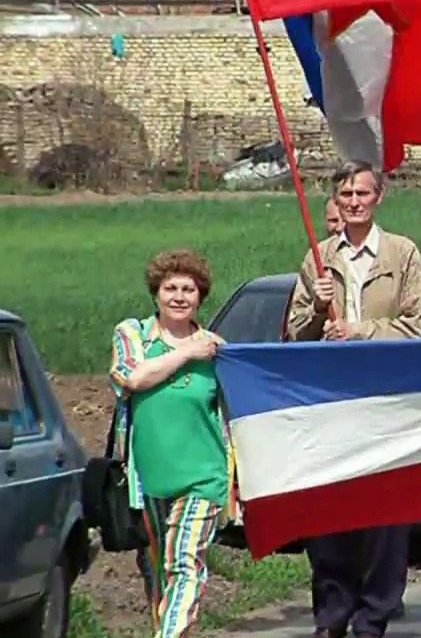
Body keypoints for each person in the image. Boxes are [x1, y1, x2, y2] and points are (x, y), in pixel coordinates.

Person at [286, 160, 421, 638]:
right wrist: (313, 306)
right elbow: (294, 334)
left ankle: (373, 615)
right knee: (330, 514)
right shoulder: (318, 257)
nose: (353, 202)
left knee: (385, 520)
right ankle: (331, 615)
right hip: (332, 401)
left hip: (386, 399)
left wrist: (361, 331)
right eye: (345, 194)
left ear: (378, 197)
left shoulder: (403, 253)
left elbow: (416, 325)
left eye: (362, 193)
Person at [109, 248, 231, 638]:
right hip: (150, 480)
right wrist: (185, 352)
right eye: (171, 288)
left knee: (184, 563)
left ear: (200, 296)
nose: (179, 297)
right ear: (156, 293)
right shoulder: (134, 335)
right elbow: (132, 378)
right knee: (159, 571)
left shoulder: (215, 348)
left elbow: (231, 411)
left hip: (203, 476)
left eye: (189, 289)